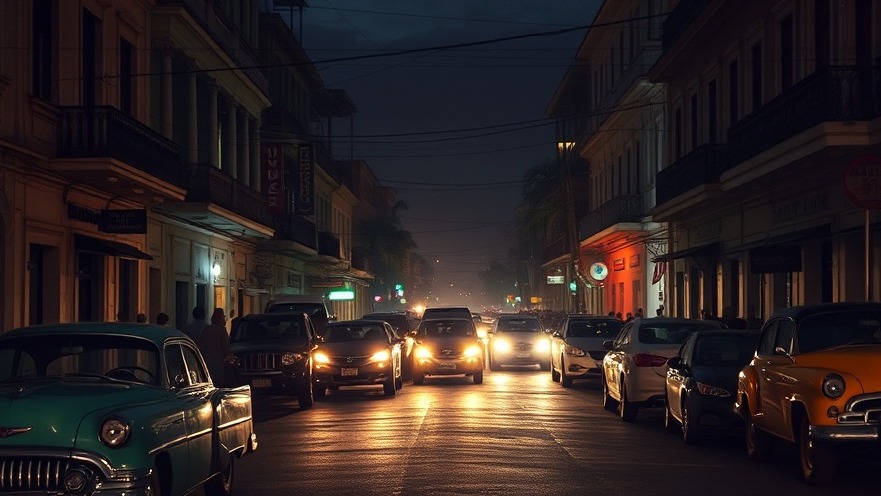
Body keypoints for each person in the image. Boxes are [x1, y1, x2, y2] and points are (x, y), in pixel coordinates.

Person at [194, 308, 234, 387]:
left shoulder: (206, 329)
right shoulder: (221, 331)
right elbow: (226, 348)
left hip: (206, 364)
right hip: (218, 364)